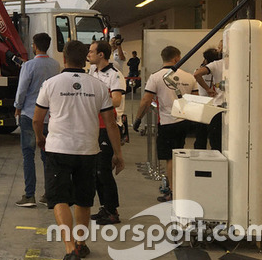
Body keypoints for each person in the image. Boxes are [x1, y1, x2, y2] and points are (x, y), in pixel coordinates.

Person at [34, 40, 124, 260]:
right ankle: (82, 243)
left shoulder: (51, 84)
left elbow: (37, 118)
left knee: (59, 198)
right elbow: (111, 123)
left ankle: (70, 248)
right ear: (85, 58)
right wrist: (117, 153)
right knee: (84, 199)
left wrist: (40, 138)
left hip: (58, 149)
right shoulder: (97, 86)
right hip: (88, 150)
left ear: (64, 58)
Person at [133, 45, 197, 202]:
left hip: (168, 122)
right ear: (176, 58)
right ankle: (178, 188)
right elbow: (195, 99)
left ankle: (173, 192)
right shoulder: (189, 77)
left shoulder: (156, 77)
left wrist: (138, 119)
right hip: (184, 121)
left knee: (170, 158)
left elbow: (146, 100)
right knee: (179, 154)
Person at [13, 33, 60, 207]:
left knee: (28, 155)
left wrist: (18, 107)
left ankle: (29, 195)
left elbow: (22, 89)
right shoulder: (55, 65)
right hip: (49, 117)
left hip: (29, 115)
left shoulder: (28, 65)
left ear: (34, 46)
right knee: (47, 157)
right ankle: (49, 193)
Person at [87, 41, 124, 225]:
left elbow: (116, 101)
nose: (89, 54)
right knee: (96, 171)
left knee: (104, 170)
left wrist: (98, 97)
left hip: (109, 126)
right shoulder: (91, 72)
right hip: (94, 126)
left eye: (92, 51)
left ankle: (113, 211)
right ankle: (105, 206)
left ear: (101, 55)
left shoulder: (114, 75)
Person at [193, 47, 222, 150]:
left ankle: (200, 155)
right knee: (215, 136)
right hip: (215, 105)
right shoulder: (219, 68)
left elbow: (196, 75)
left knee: (201, 135)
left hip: (202, 104)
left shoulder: (200, 70)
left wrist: (207, 89)